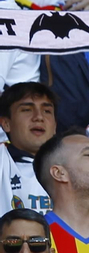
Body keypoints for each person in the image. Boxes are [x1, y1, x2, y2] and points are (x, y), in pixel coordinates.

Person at [0, 85, 55, 214]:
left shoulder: (73, 162)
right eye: (26, 110)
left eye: (47, 111)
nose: (38, 117)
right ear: (6, 123)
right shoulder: (2, 158)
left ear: (55, 126)